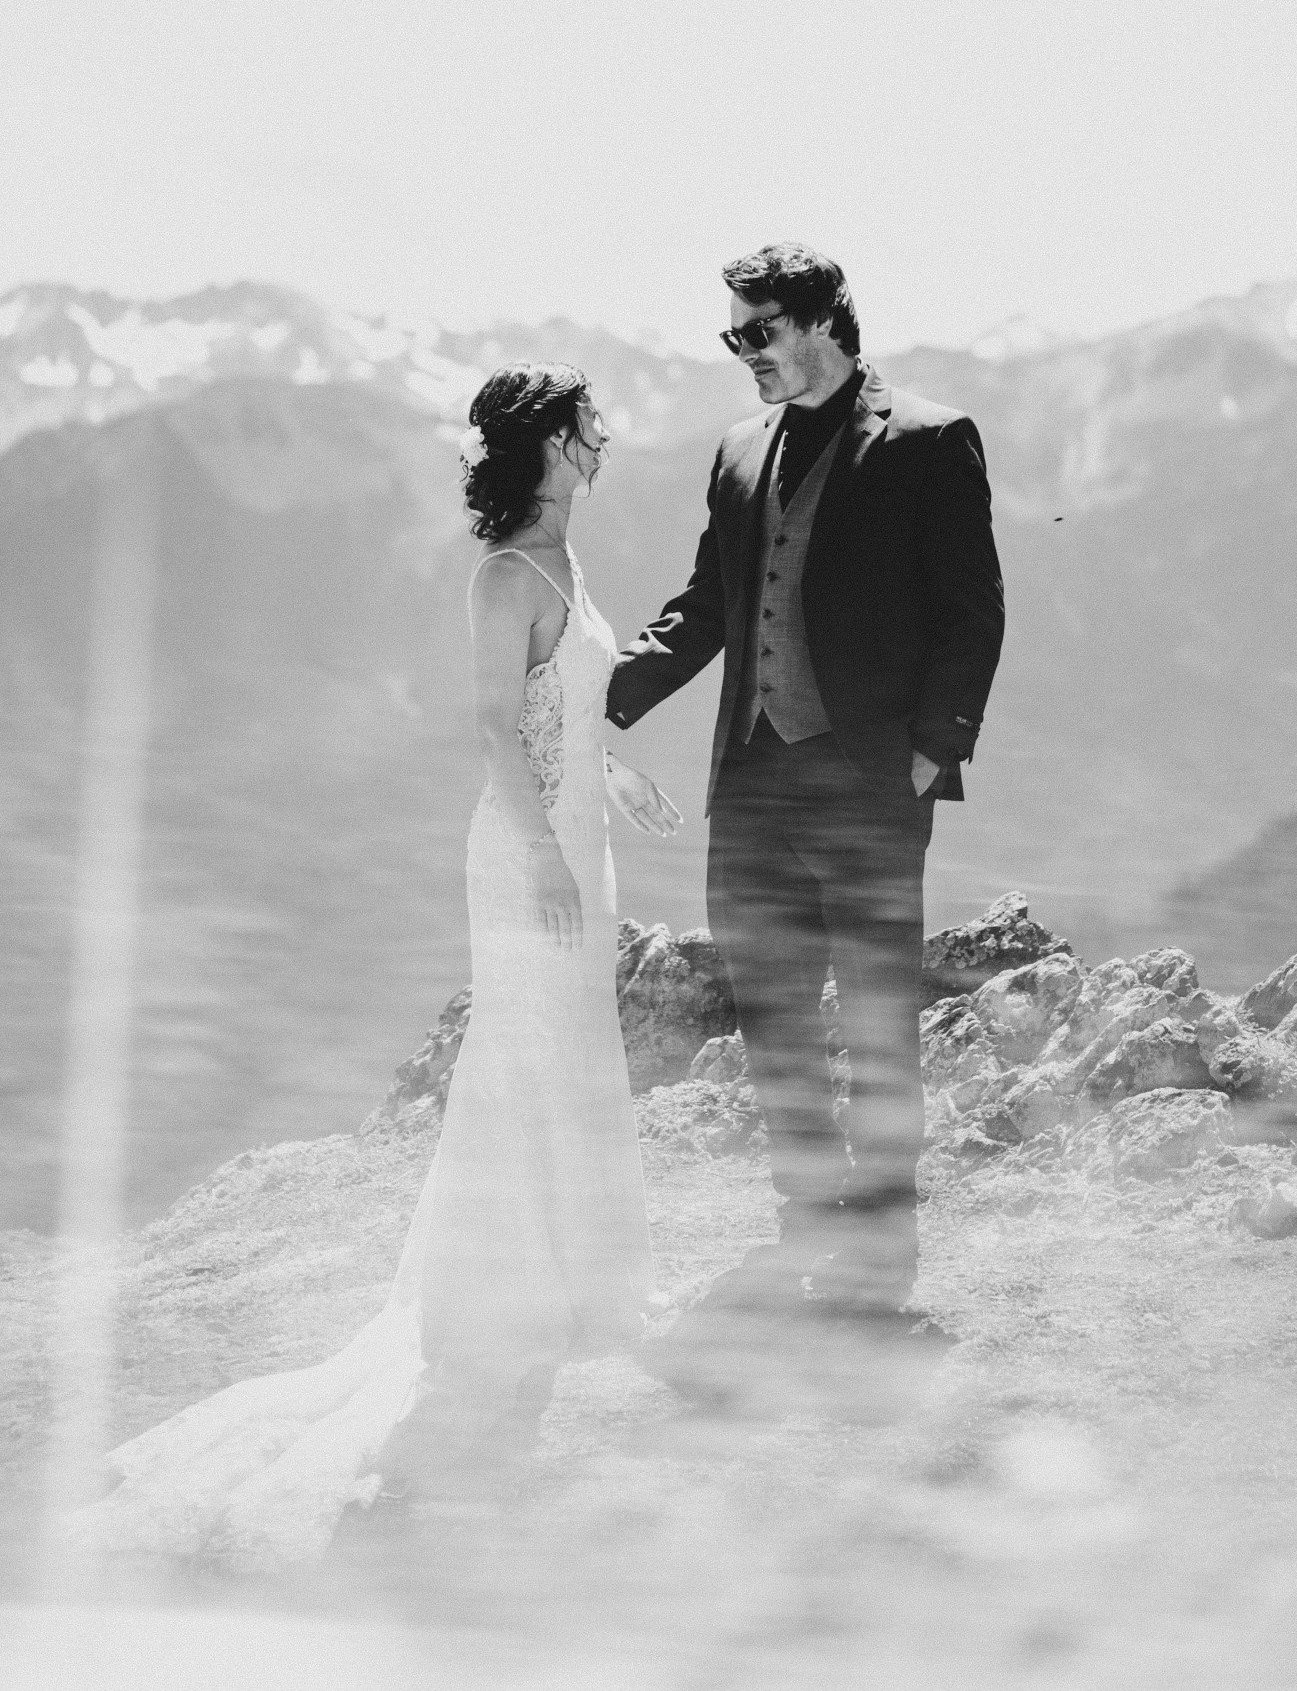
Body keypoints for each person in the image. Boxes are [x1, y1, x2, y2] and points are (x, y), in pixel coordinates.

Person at [71, 362, 679, 1566]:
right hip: (524, 860)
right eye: (589, 423)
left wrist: (616, 779)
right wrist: (543, 859)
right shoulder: (503, 573)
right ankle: (504, 1292)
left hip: (577, 839)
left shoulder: (570, 562)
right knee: (522, 1057)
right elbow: (493, 727)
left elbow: (567, 713)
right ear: (554, 442)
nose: (604, 436)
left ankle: (574, 1277)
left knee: (574, 1053)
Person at [607, 245, 1004, 1322]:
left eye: (758, 331)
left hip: (872, 785)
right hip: (748, 789)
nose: (743, 354)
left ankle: (880, 1257)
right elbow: (705, 603)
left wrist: (931, 752)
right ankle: (804, 1227)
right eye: (731, 335)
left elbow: (971, 613)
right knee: (772, 1022)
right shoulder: (737, 451)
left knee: (877, 1028)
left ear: (824, 319)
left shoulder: (926, 439)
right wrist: (602, 695)